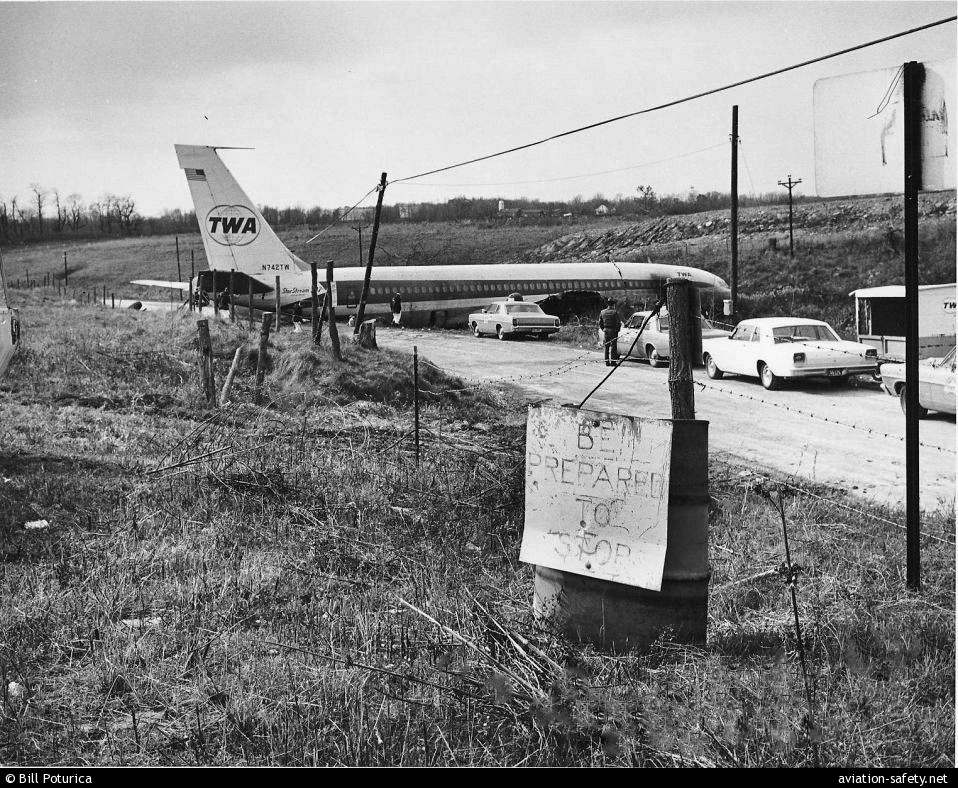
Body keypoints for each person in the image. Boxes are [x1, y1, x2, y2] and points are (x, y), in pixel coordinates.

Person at [599, 298, 621, 366]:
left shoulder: (602, 312)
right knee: (613, 346)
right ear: (613, 304)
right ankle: (613, 362)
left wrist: (603, 329)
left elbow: (600, 322)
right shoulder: (615, 312)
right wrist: (617, 330)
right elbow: (618, 323)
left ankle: (607, 361)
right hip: (613, 330)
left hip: (606, 330)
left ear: (607, 304)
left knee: (606, 346)